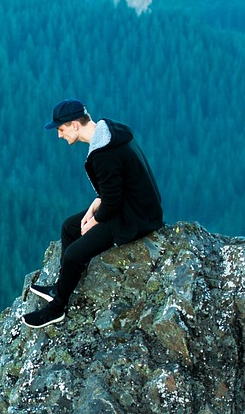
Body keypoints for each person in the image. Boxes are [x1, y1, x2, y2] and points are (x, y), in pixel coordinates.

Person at [23, 98, 164, 328]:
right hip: (132, 205)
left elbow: (112, 202)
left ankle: (56, 308)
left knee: (74, 254)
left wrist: (93, 223)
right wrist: (92, 209)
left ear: (74, 125)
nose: (59, 135)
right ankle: (61, 286)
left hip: (134, 217)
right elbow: (113, 188)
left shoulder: (103, 154)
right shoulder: (109, 133)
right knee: (69, 227)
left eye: (61, 129)